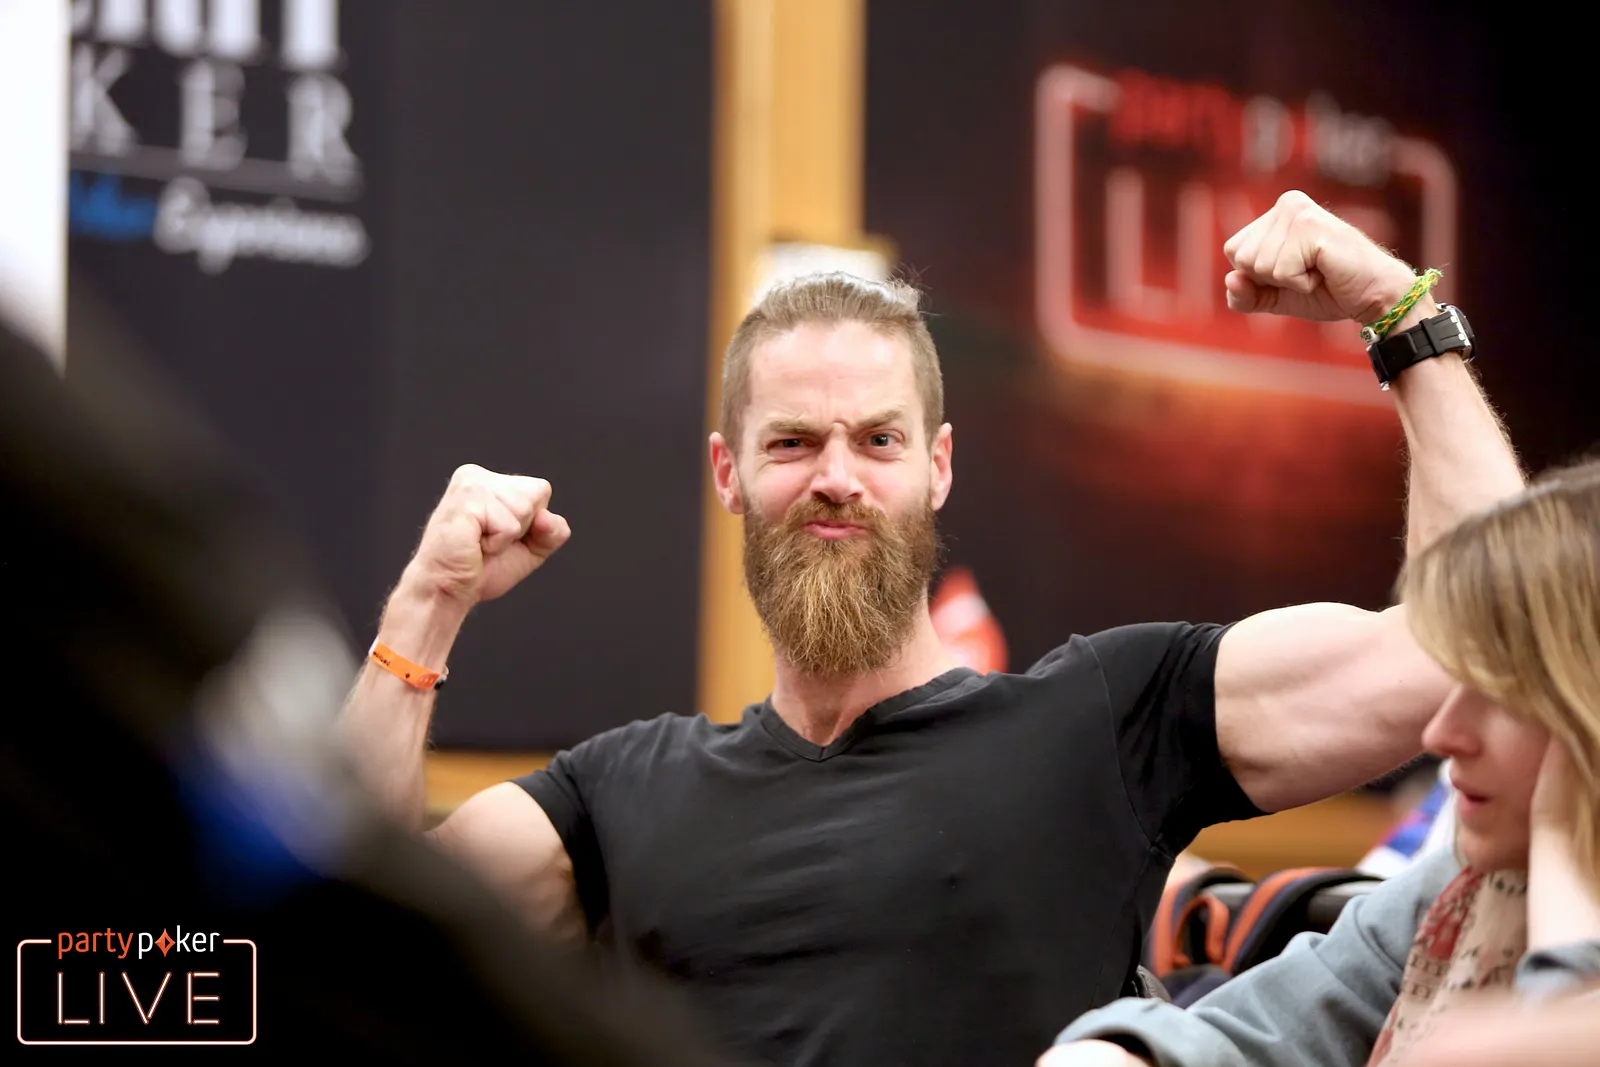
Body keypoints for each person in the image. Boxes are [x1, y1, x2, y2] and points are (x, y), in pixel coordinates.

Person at [341, 191, 1525, 1066]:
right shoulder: (618, 795)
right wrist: (426, 605)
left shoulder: (1101, 719)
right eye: (792, 442)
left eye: (878, 439)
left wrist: (1398, 311)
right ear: (727, 472)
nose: (836, 476)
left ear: (938, 465)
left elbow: (1461, 650)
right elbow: (343, 944)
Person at [1042, 460, 1600, 1067]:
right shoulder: (1464, 881)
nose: (1441, 734)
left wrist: (1567, 889)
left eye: (1506, 694)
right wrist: (1127, 1052)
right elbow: (1264, 1028)